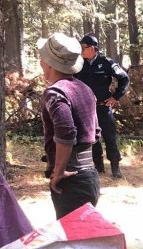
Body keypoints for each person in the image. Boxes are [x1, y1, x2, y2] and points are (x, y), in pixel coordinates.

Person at [38, 32, 101, 219]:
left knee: (73, 242)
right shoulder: (84, 88)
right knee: (81, 239)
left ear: (48, 63)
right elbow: (95, 132)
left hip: (71, 180)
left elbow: (66, 133)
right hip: (89, 175)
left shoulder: (56, 92)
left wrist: (58, 172)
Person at [75, 34, 130, 179]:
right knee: (92, 138)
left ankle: (115, 167)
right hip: (86, 108)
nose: (81, 50)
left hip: (103, 107)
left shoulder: (106, 62)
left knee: (109, 137)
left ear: (92, 48)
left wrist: (115, 97)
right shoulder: (79, 63)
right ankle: (98, 166)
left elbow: (124, 78)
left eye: (83, 48)